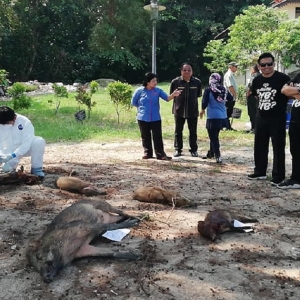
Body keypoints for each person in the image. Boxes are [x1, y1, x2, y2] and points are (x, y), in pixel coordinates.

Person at [247, 52, 290, 185]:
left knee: (278, 146)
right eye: (263, 65)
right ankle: (260, 171)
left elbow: (289, 94)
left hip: (277, 117)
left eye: (269, 64)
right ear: (259, 66)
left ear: (274, 64)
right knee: (259, 145)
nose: (266, 67)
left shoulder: (283, 78)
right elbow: (255, 95)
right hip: (261, 116)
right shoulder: (257, 80)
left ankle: (278, 175)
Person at [131, 72, 182, 160]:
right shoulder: (139, 91)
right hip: (142, 118)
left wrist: (173, 95)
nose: (155, 82)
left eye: (156, 80)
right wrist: (142, 110)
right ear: (147, 82)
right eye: (153, 81)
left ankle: (160, 154)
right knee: (145, 136)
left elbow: (167, 98)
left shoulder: (158, 90)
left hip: (155, 118)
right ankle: (148, 153)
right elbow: (134, 102)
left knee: (157, 136)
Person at [0, 106, 46, 177]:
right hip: (7, 151)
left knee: (38, 141)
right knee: (7, 171)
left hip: (25, 148)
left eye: (7, 123)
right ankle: (10, 168)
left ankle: (36, 169)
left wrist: (13, 155)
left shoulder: (24, 122)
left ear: (14, 118)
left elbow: (27, 143)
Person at [170, 63, 202, 157]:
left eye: (189, 70)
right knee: (178, 131)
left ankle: (193, 150)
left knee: (193, 131)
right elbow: (172, 94)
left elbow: (198, 94)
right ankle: (178, 149)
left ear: (192, 71)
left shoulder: (197, 82)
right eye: (184, 70)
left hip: (192, 111)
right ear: (181, 71)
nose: (187, 72)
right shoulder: (175, 82)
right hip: (179, 110)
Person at [200, 73, 233, 163]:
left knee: (213, 137)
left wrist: (202, 110)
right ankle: (211, 153)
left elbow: (204, 102)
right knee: (215, 135)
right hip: (223, 117)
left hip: (212, 117)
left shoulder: (209, 90)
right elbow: (231, 98)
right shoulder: (224, 90)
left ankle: (218, 155)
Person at [278, 73, 300, 189]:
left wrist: (294, 91)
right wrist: (298, 91)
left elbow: (290, 91)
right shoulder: (298, 76)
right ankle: (296, 178)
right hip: (295, 119)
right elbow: (284, 90)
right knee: (295, 150)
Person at [223, 61, 239, 131]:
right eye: (235, 66)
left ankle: (227, 126)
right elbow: (230, 86)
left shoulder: (231, 75)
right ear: (231, 67)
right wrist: (235, 95)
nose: (236, 68)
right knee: (227, 112)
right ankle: (226, 126)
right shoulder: (228, 75)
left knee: (229, 112)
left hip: (231, 97)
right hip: (229, 97)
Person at [246, 64, 260, 133]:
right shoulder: (260, 75)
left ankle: (253, 128)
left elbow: (250, 86)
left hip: (252, 96)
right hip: (258, 96)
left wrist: (248, 94)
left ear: (254, 69)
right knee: (257, 112)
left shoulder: (254, 76)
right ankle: (256, 127)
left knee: (252, 112)